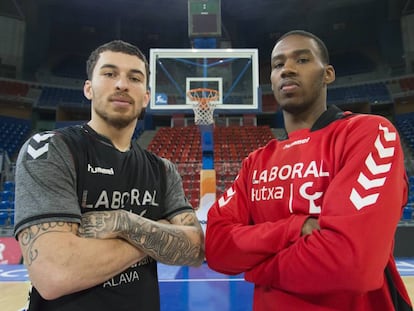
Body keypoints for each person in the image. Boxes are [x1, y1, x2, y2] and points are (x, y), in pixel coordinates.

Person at [205, 30, 413, 311]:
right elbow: (218, 248)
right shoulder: (255, 163)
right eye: (278, 65)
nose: (287, 69)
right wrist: (296, 227)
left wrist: (258, 270)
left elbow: (350, 264)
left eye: (302, 60)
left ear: (327, 74)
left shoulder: (368, 133)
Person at [13, 40, 205, 311]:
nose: (122, 84)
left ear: (146, 96)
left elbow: (196, 249)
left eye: (134, 78)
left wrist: (123, 222)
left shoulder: (162, 169)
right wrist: (154, 233)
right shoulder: (50, 149)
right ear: (88, 88)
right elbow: (55, 274)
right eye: (109, 73)